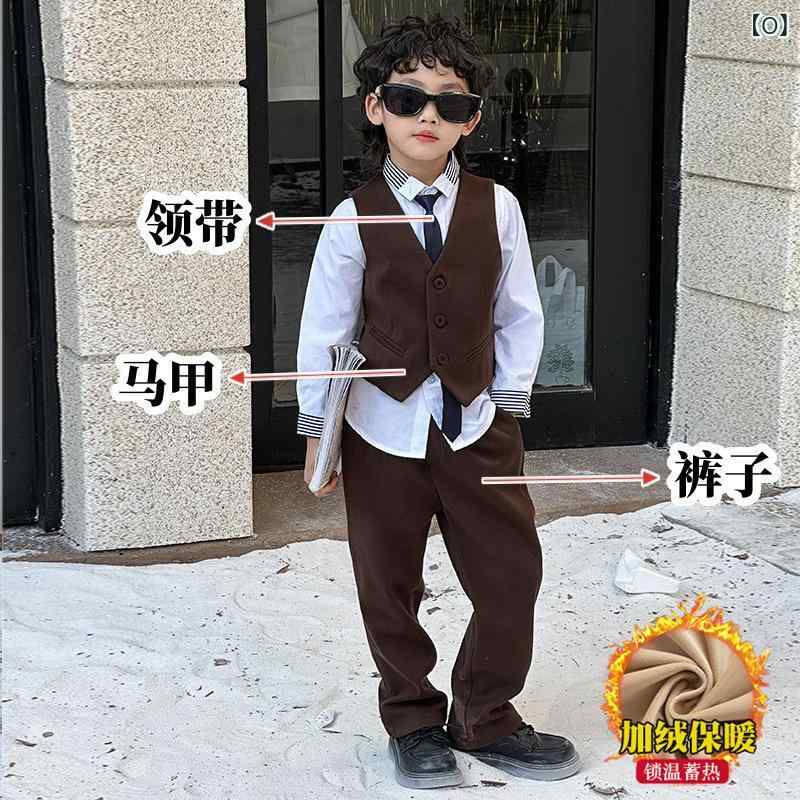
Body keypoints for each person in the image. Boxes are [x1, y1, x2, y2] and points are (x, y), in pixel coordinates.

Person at [295, 13, 580, 790]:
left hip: (476, 425)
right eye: (407, 98)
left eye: (449, 102)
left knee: (510, 574)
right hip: (382, 430)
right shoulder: (351, 218)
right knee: (387, 581)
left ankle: (484, 714)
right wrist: (319, 428)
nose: (428, 115)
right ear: (376, 107)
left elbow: (520, 312)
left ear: (471, 119)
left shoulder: (498, 207)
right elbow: (325, 329)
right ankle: (412, 718)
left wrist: (507, 402)